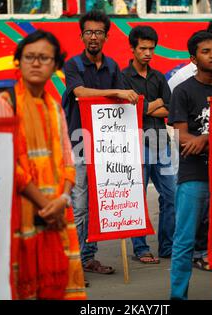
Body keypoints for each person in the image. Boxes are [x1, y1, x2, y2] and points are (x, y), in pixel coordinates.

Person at [0, 30, 86, 299]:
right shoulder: (5, 104)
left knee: (56, 285)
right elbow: (6, 164)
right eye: (29, 57)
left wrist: (63, 198)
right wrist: (46, 205)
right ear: (18, 62)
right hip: (23, 213)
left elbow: (68, 157)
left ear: (55, 66)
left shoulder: (53, 106)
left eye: (44, 58)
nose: (36, 63)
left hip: (56, 211)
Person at [63, 10, 138, 276]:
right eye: (88, 32)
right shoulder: (73, 65)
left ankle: (87, 258)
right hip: (79, 145)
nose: (93, 37)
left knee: (98, 204)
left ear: (106, 36)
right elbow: (80, 93)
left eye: (98, 33)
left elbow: (123, 103)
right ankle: (74, 260)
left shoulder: (114, 67)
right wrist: (116, 91)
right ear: (81, 36)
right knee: (79, 205)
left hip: (106, 148)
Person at [168, 30, 212, 300]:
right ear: (193, 59)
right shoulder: (183, 91)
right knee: (184, 242)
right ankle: (177, 296)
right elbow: (184, 139)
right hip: (193, 176)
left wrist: (206, 137)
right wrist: (210, 139)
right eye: (205, 52)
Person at [122, 25, 175, 264]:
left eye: (151, 49)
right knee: (137, 196)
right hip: (136, 144)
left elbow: (170, 109)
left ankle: (167, 246)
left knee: (171, 195)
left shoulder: (158, 76)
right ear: (132, 48)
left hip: (161, 142)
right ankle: (141, 249)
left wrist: (144, 106)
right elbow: (129, 111)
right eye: (143, 48)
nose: (148, 53)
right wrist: (153, 105)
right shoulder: (122, 77)